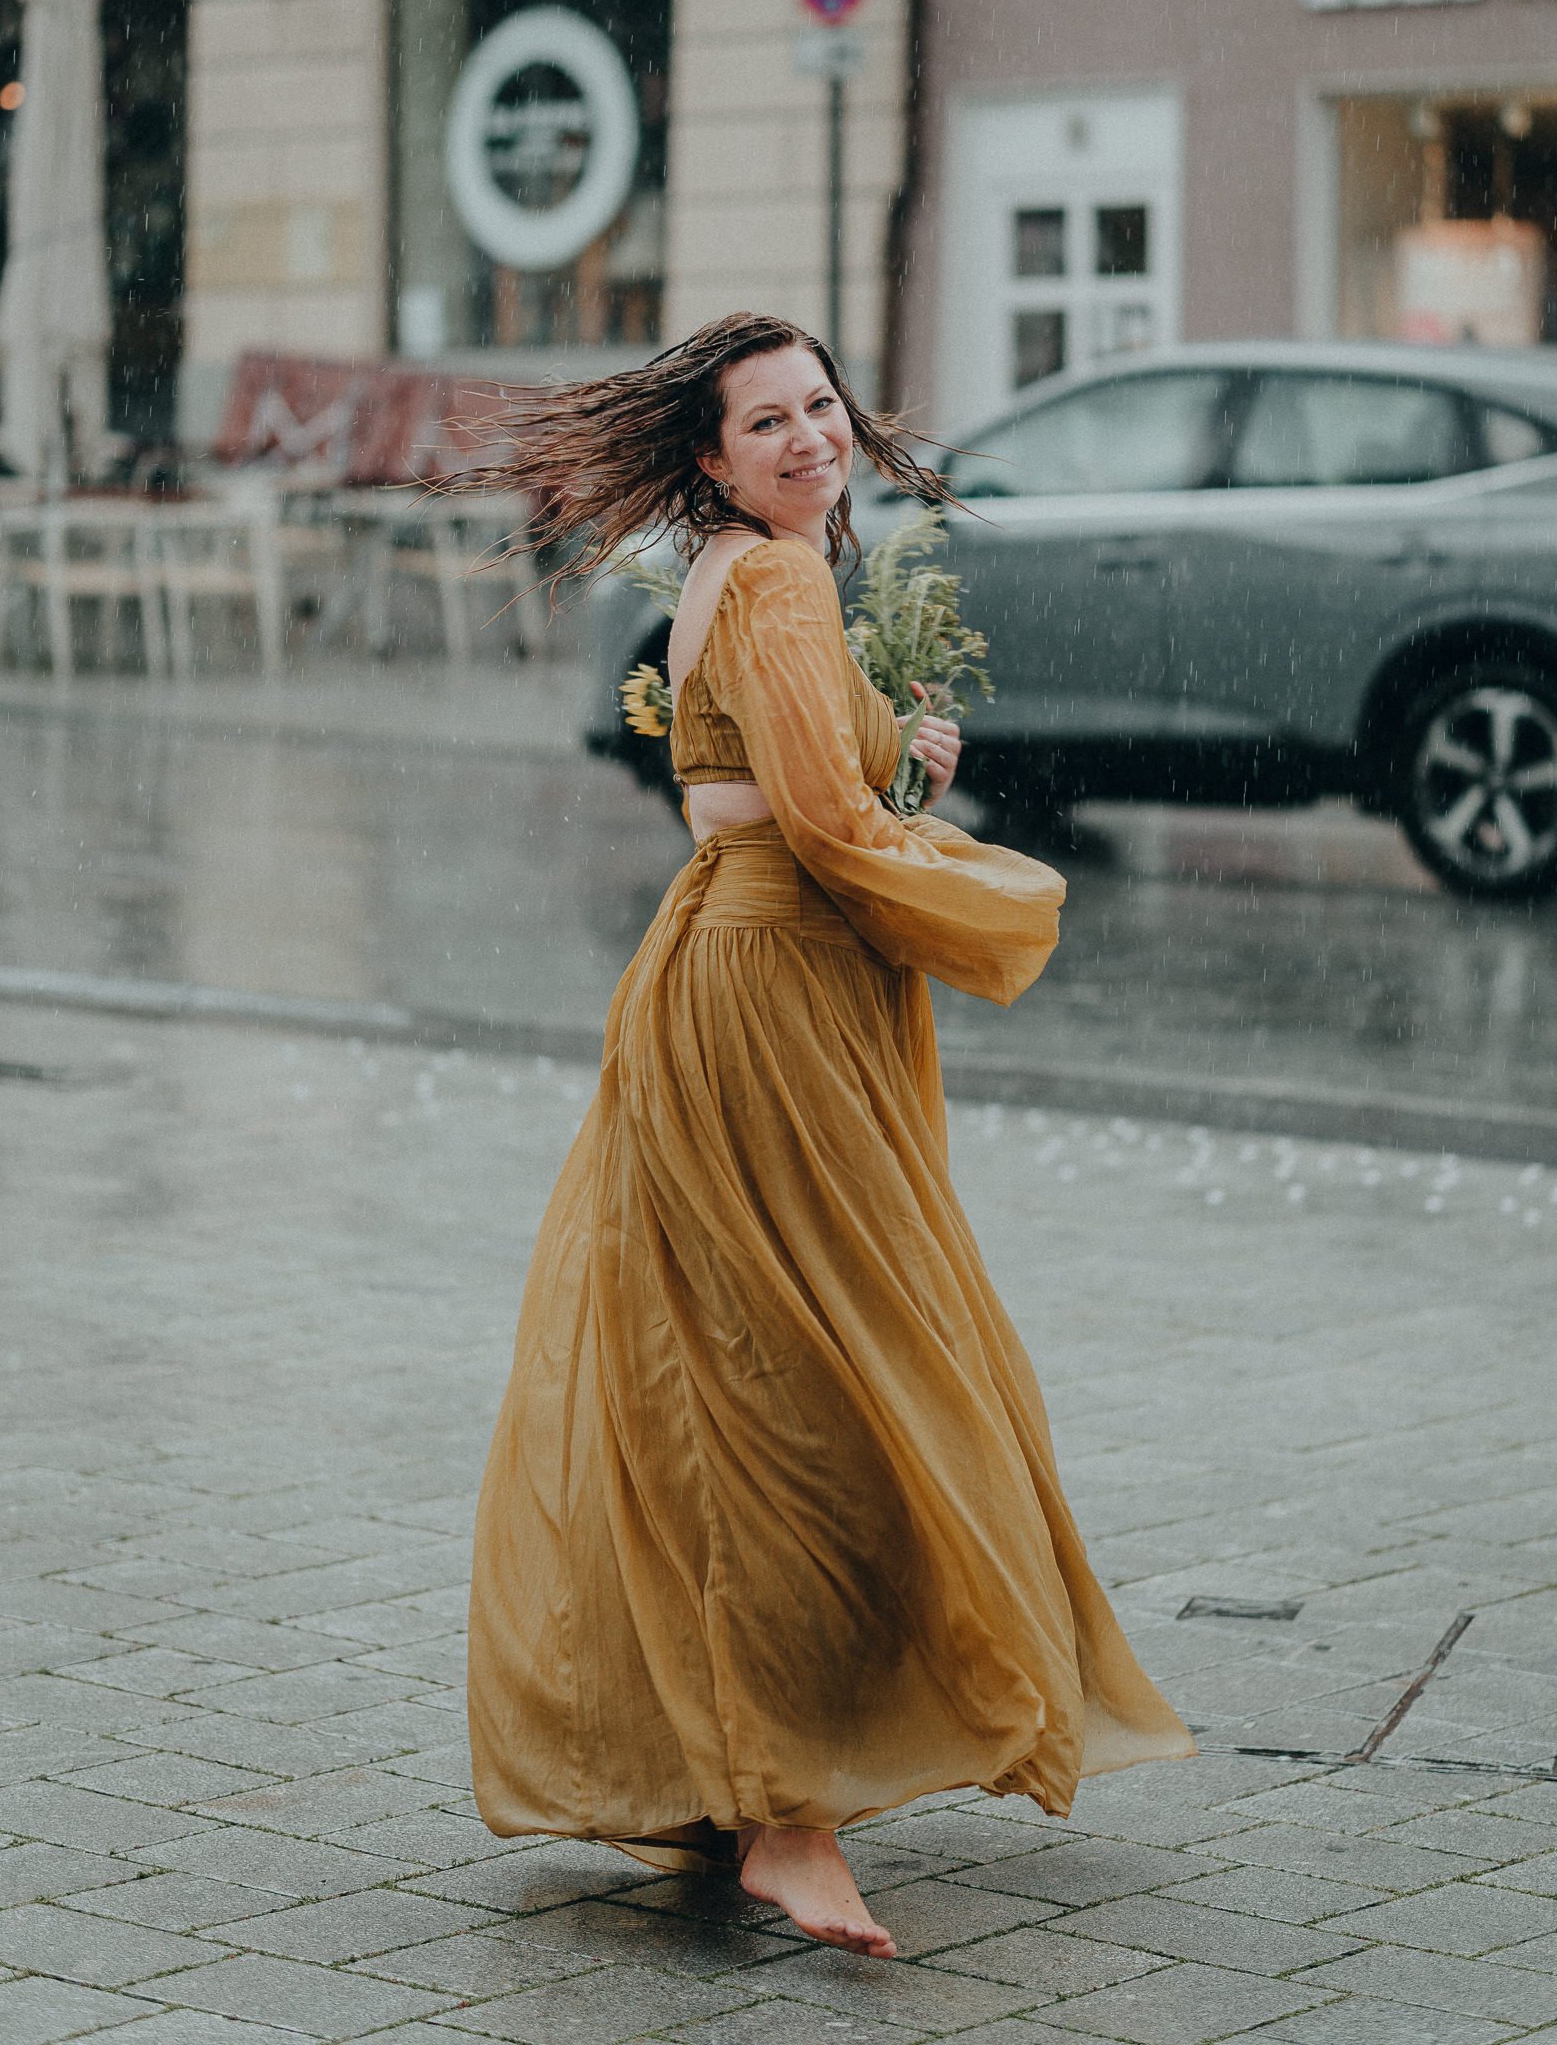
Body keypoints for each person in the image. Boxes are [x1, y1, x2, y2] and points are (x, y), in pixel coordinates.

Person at [466, 312, 1195, 1961]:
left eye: (820, 408)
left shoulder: (731, 569)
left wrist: (893, 753)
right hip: (778, 990)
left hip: (727, 971)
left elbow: (753, 783)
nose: (808, 439)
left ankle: (733, 1775)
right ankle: (788, 1815)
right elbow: (815, 826)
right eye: (767, 421)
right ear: (712, 457)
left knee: (733, 1368)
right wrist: (993, 891)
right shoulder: (780, 583)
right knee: (815, 1382)